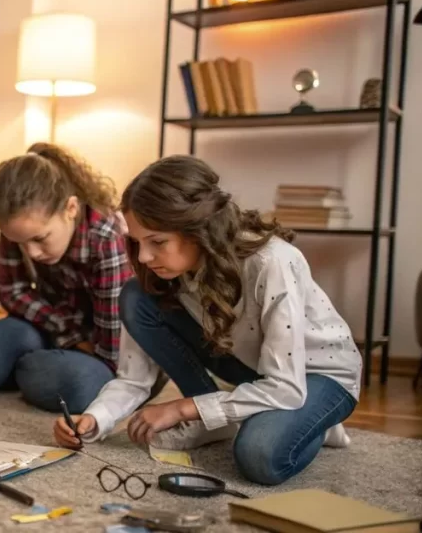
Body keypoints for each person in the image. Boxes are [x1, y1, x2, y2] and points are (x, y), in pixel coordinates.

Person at [54, 155, 361, 486]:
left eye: (157, 242)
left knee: (260, 455)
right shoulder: (165, 271)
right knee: (134, 295)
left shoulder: (274, 262)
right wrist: (94, 419)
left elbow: (285, 387)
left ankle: (317, 421)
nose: (143, 257)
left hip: (316, 375)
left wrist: (183, 408)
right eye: (136, 242)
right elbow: (135, 380)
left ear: (198, 228)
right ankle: (221, 418)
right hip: (250, 365)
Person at [0, 143, 132, 413]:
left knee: (81, 386)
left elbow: (112, 354)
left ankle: (34, 367)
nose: (32, 253)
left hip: (104, 347)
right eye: (20, 242)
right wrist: (67, 334)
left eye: (40, 239)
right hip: (49, 324)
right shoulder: (19, 225)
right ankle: (41, 367)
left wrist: (77, 346)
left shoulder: (107, 238)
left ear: (70, 208)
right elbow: (12, 291)